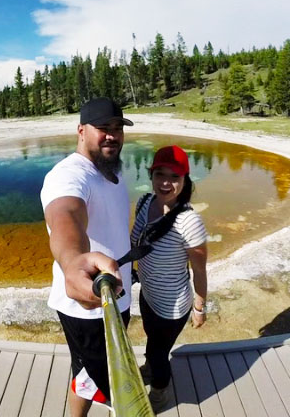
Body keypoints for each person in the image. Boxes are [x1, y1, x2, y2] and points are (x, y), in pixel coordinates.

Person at [40, 97, 134, 417]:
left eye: (118, 128)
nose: (112, 135)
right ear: (81, 131)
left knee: (87, 373)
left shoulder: (111, 171)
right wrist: (72, 262)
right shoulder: (67, 175)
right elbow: (65, 214)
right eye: (103, 128)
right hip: (88, 308)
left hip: (114, 298)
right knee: (101, 383)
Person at [130, 145, 208, 412]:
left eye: (174, 176)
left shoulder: (189, 221)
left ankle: (159, 392)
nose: (165, 182)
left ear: (185, 179)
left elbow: (199, 270)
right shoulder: (144, 203)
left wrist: (200, 308)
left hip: (173, 306)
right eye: (159, 174)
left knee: (159, 352)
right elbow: (135, 243)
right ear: (151, 175)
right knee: (151, 339)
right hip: (148, 294)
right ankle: (150, 367)